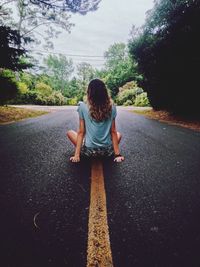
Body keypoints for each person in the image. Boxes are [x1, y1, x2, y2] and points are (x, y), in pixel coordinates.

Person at [66, 78, 124, 163]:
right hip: (107, 152)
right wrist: (117, 155)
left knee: (70, 132)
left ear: (89, 92)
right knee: (118, 134)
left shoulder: (82, 106)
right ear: (105, 92)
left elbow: (81, 132)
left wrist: (77, 155)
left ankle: (85, 149)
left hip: (88, 152)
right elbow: (113, 132)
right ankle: (111, 151)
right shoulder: (112, 107)